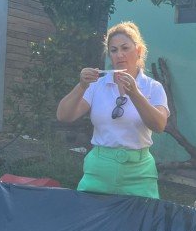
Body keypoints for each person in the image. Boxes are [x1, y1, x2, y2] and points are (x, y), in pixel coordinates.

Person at [56, 21, 169, 198]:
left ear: (138, 51)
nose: (119, 55)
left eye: (125, 48)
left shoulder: (153, 87)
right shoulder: (97, 85)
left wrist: (135, 94)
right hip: (98, 170)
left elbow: (159, 125)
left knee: (140, 224)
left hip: (139, 174)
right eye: (114, 50)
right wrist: (82, 85)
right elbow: (64, 115)